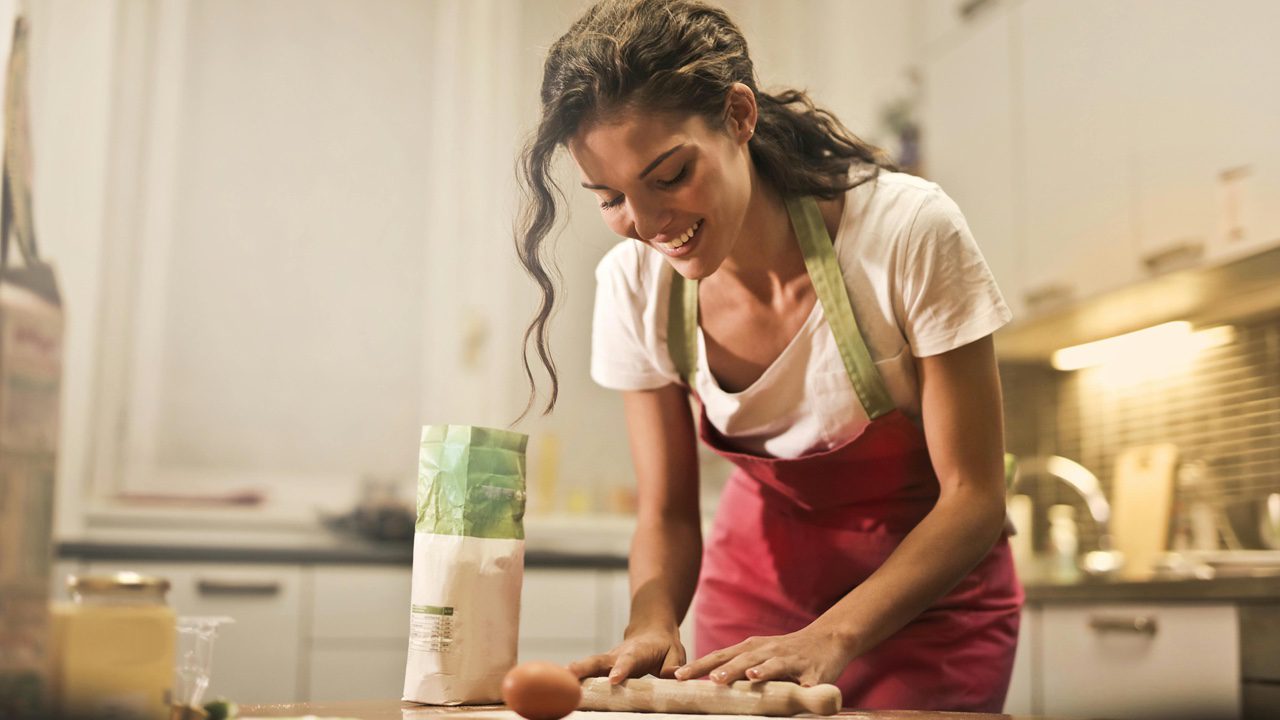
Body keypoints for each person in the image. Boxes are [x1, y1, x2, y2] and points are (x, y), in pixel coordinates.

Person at [513, 0, 1022, 712]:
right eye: (611, 198)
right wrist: (652, 622)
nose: (648, 224)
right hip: (750, 610)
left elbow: (974, 498)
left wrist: (831, 636)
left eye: (669, 176)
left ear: (739, 117)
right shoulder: (634, 287)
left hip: (927, 615)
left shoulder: (907, 234)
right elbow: (666, 513)